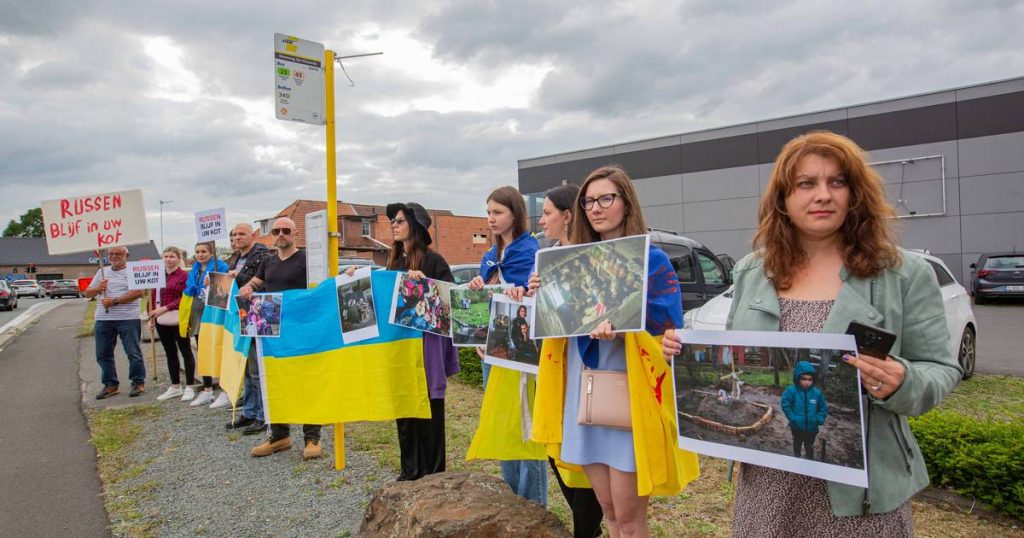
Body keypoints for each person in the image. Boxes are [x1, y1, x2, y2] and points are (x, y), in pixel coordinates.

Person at [662, 131, 961, 535]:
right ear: (783, 198)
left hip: (862, 495)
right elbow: (732, 353)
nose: (823, 195)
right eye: (806, 183)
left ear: (856, 194)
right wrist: (683, 352)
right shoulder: (754, 270)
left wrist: (902, 381)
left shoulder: (903, 274)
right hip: (768, 486)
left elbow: (941, 369)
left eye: (837, 182)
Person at [530, 166, 689, 537]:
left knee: (630, 520)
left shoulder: (652, 260)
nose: (596, 208)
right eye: (588, 201)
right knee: (610, 513)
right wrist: (545, 296)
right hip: (582, 392)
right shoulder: (568, 260)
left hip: (627, 393)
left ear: (626, 201)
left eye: (606, 198)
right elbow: (559, 328)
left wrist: (622, 334)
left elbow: (668, 336)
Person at [357, 202, 459, 480]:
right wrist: (355, 279)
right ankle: (410, 470)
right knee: (404, 404)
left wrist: (425, 283)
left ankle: (434, 473)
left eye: (399, 220)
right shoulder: (391, 263)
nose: (394, 224)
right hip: (399, 348)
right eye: (393, 220)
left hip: (427, 349)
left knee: (429, 407)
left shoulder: (434, 261)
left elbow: (452, 301)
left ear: (414, 226)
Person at [467, 186, 546, 506]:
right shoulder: (489, 256)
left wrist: (523, 292)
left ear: (515, 213)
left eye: (497, 212)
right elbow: (486, 304)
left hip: (522, 354)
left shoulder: (531, 251)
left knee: (526, 428)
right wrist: (478, 287)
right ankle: (512, 503)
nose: (490, 219)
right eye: (488, 212)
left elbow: (538, 300)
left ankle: (534, 508)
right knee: (502, 423)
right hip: (492, 353)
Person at [238, 217, 322, 458]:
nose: (281, 234)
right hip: (272, 332)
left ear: (296, 233)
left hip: (302, 330)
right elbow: (255, 282)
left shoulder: (307, 260)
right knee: (274, 381)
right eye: (276, 230)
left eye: (286, 230)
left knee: (306, 382)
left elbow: (322, 287)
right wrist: (248, 288)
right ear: (271, 235)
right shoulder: (268, 261)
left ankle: (312, 437)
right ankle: (279, 436)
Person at [224, 223, 272, 434]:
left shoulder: (262, 255)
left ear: (252, 235)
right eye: (234, 235)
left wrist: (238, 276)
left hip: (256, 315)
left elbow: (261, 283)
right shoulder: (235, 258)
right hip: (239, 316)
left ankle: (263, 415)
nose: (237, 238)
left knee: (256, 369)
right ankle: (249, 411)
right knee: (245, 367)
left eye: (241, 234)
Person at [84, 246, 147, 399]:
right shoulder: (102, 272)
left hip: (128, 318)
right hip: (104, 319)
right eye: (111, 254)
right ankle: (110, 384)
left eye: (118, 254)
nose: (114, 256)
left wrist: (115, 301)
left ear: (126, 255)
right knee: (103, 354)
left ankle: (138, 381)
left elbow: (139, 292)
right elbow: (87, 293)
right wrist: (99, 288)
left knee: (133, 352)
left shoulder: (132, 271)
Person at [148, 246, 197, 402]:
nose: (168, 259)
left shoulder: (184, 276)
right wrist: (151, 317)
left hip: (179, 318)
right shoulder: (157, 276)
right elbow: (152, 296)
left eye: (172, 256)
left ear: (178, 258)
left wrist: (165, 308)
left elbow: (185, 297)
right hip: (161, 319)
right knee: (170, 352)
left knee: (185, 350)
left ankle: (190, 386)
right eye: (166, 256)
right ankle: (175, 386)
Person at [183, 241, 228, 407]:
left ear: (211, 252)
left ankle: (224, 390)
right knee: (203, 351)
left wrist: (214, 282)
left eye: (203, 251)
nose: (200, 254)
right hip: (197, 312)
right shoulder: (195, 269)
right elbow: (189, 288)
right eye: (197, 251)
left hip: (214, 312)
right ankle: (207, 389)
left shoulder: (220, 266)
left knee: (218, 349)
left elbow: (225, 288)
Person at [781, 361, 828, 460]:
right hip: (797, 427)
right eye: (804, 379)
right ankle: (796, 457)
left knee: (809, 446)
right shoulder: (791, 391)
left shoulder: (817, 393)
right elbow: (785, 405)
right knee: (797, 444)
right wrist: (793, 418)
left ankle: (809, 459)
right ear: (798, 378)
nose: (807, 382)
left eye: (810, 379)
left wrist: (819, 419)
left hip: (812, 428)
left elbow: (823, 407)